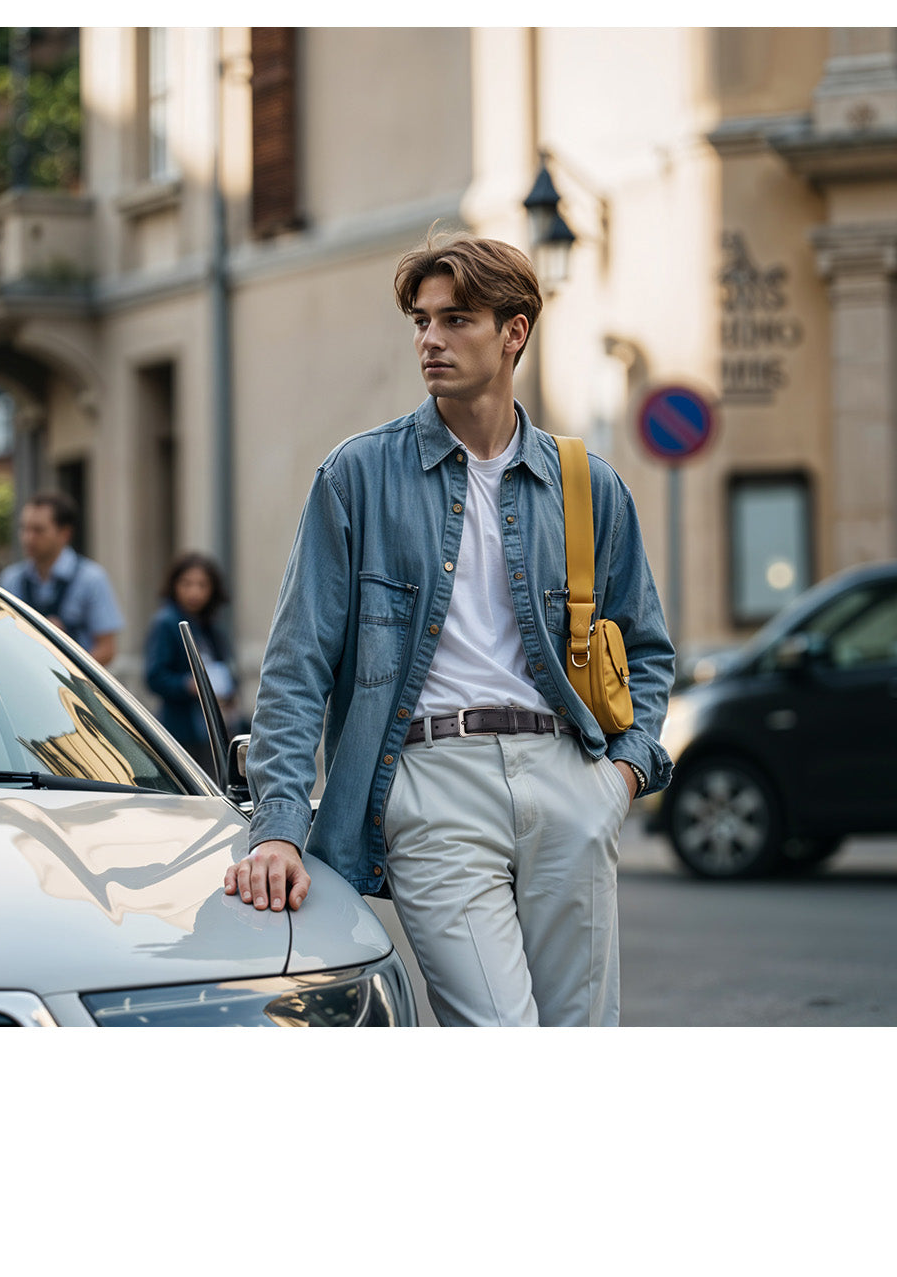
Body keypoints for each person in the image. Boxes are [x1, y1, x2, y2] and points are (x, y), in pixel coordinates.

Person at [224, 231, 675, 1026]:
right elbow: (298, 665)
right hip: (430, 783)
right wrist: (279, 827)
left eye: (456, 319)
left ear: (514, 332)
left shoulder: (585, 486)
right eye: (422, 321)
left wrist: (620, 780)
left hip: (568, 777)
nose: (430, 340)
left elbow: (646, 649)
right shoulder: (358, 476)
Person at [0, 489, 123, 666]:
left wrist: (68, 673)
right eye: (24, 528)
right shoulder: (11, 579)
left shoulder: (92, 579)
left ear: (65, 534)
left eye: (38, 530)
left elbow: (107, 649)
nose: (28, 538)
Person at [144, 551, 239, 770]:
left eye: (201, 585)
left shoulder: (211, 626)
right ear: (174, 585)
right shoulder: (166, 622)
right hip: (182, 731)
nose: (193, 591)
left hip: (215, 729)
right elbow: (155, 676)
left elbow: (227, 669)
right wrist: (189, 686)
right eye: (186, 583)